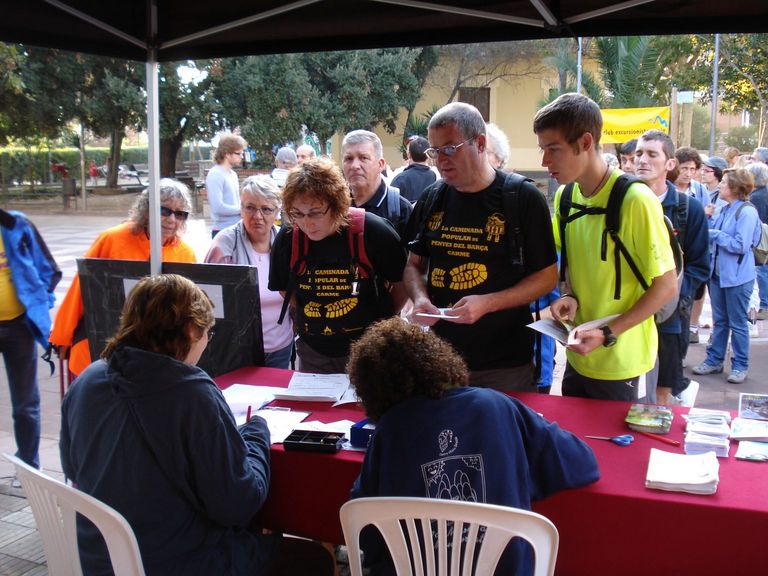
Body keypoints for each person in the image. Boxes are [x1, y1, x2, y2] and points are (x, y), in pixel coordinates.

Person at [60, 274, 332, 576]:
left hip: (99, 555)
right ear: (191, 330)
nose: (205, 341)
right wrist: (256, 433)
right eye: (207, 333)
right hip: (178, 560)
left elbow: (72, 468)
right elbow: (238, 504)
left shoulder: (89, 378)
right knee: (313, 559)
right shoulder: (189, 392)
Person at [348, 317, 600, 576]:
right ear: (439, 360)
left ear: (372, 389)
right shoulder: (495, 405)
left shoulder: (390, 430)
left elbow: (369, 534)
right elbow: (583, 464)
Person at [533, 93, 677, 401]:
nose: (544, 162)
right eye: (542, 149)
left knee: (625, 447)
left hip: (625, 363)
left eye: (553, 149)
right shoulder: (566, 197)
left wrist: (608, 333)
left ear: (585, 142)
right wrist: (569, 294)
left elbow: (665, 286)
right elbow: (571, 262)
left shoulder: (635, 200)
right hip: (579, 355)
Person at [406, 102, 558, 391]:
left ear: (480, 143)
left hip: (504, 364)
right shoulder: (431, 197)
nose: (441, 160)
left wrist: (487, 303)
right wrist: (419, 298)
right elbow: (413, 265)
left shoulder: (522, 197)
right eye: (434, 151)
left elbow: (547, 278)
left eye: (450, 148)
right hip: (440, 358)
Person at [269, 158, 407, 374]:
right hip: (313, 351)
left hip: (370, 351)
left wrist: (382, 322)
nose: (306, 223)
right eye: (297, 213)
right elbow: (285, 289)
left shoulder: (373, 231)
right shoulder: (289, 237)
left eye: (315, 212)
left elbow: (403, 285)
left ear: (337, 205)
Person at [50, 179, 197, 377]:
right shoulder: (112, 239)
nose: (172, 219)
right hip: (103, 344)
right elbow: (80, 290)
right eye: (164, 211)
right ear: (146, 210)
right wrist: (62, 337)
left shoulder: (186, 253)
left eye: (180, 214)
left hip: (155, 353)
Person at [634, 130, 709, 405]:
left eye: (652, 154)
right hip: (625, 317)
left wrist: (672, 296)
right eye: (639, 153)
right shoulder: (621, 204)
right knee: (626, 393)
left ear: (669, 164)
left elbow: (700, 266)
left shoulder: (689, 210)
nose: (642, 160)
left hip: (668, 321)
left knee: (662, 392)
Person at [205, 175, 294, 368]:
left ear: (278, 212)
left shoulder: (287, 242)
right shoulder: (224, 245)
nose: (257, 216)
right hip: (239, 349)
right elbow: (209, 303)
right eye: (250, 207)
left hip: (280, 345)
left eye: (266, 209)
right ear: (241, 208)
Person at [0, 209, 60, 471]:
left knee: (25, 405)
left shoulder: (16, 225)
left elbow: (50, 270)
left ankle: (28, 465)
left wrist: (38, 305)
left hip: (19, 327)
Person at [693, 169, 762, 384]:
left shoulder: (747, 212)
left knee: (738, 322)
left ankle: (740, 365)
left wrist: (716, 234)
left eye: (723, 182)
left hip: (737, 277)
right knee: (720, 321)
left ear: (734, 187)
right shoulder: (726, 208)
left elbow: (741, 246)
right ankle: (714, 360)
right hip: (719, 275)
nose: (719, 185)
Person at [342, 130, 413, 238]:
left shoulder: (400, 210)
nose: (355, 166)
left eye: (364, 158)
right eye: (349, 159)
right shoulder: (336, 206)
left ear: (380, 164)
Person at [207, 134, 246, 237]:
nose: (241, 157)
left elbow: (236, 201)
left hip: (236, 228)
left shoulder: (233, 174)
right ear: (227, 154)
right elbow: (217, 207)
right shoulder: (215, 174)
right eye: (238, 153)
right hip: (222, 231)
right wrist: (243, 209)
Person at [746, 162, 768, 319]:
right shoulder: (763, 193)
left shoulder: (757, 197)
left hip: (762, 241)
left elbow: (756, 221)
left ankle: (764, 305)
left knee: (762, 271)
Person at [390, 136, 436, 203]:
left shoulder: (401, 178)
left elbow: (390, 203)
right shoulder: (434, 176)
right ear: (428, 154)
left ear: (409, 155)